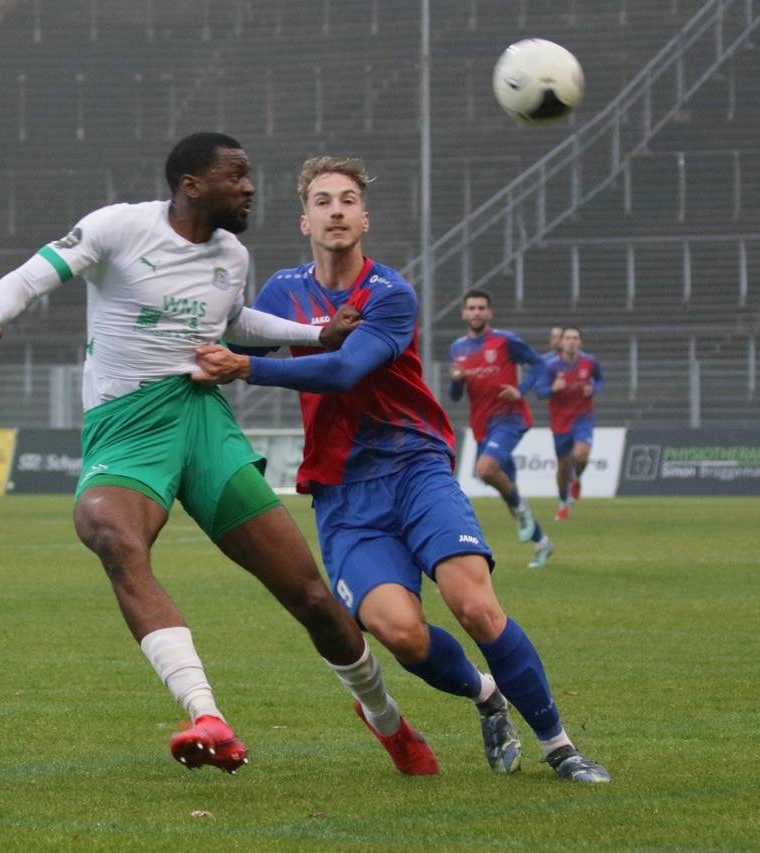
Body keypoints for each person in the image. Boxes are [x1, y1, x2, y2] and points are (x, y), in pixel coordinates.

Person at [0, 132, 437, 777]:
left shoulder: (231, 251)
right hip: (127, 424)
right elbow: (34, 276)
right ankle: (207, 716)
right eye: (238, 176)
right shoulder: (118, 228)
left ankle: (387, 721)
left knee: (310, 595)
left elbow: (233, 323)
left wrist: (317, 333)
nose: (250, 187)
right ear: (192, 185)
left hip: (202, 420)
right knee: (110, 535)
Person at [191, 155, 610, 783]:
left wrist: (245, 368)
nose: (336, 209)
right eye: (323, 200)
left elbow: (339, 369)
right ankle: (485, 696)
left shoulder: (389, 292)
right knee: (401, 633)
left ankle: (560, 747)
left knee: (475, 605)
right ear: (304, 220)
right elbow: (227, 343)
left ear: (365, 217)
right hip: (343, 489)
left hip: (414, 466)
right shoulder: (282, 290)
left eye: (347, 199)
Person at [448, 290, 553, 569]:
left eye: (482, 307)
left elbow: (539, 363)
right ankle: (542, 543)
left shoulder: (504, 341)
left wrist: (521, 390)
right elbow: (455, 395)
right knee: (507, 488)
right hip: (482, 426)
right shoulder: (458, 348)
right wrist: (456, 380)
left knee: (485, 469)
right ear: (464, 313)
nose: (477, 312)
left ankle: (521, 510)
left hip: (509, 418)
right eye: (471, 307)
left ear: (489, 313)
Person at [538, 326, 604, 521]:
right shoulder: (551, 366)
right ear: (561, 342)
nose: (572, 341)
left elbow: (600, 380)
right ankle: (563, 501)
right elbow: (540, 392)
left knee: (581, 453)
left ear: (580, 342)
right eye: (568, 338)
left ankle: (576, 479)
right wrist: (552, 388)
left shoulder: (590, 362)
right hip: (560, 422)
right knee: (562, 466)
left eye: (575, 338)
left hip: (583, 417)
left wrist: (594, 388)